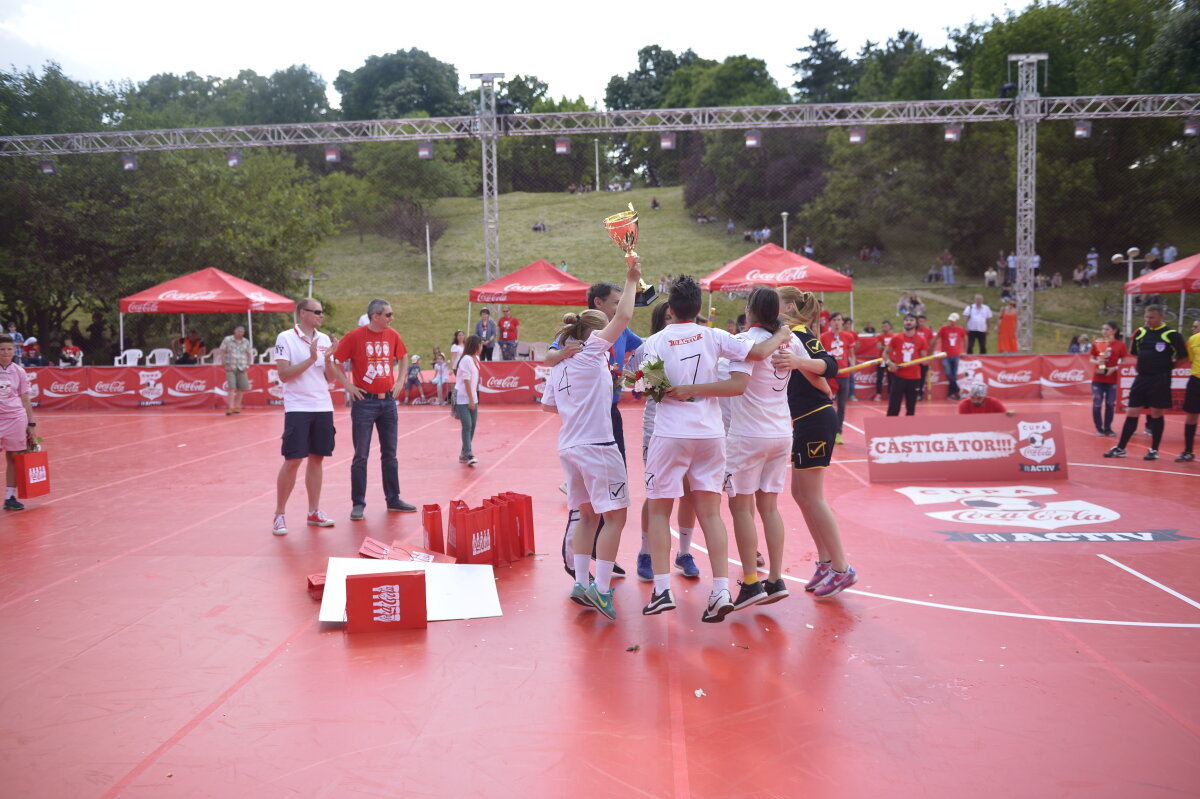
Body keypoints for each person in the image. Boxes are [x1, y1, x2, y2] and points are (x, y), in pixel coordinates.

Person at [638, 275, 790, 622]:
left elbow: (652, 389)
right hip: (710, 435)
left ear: (671, 308)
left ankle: (662, 589)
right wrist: (782, 333)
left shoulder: (656, 341)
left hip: (671, 433)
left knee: (660, 510)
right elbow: (758, 353)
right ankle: (720, 589)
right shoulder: (715, 335)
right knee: (710, 512)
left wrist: (674, 387)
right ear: (698, 307)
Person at [539, 257, 641, 620]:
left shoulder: (560, 364)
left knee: (586, 516)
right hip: (597, 445)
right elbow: (623, 318)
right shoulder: (591, 351)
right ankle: (602, 588)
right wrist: (632, 280)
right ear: (596, 334)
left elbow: (548, 407)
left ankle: (582, 583)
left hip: (569, 446)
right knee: (615, 517)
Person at [771, 286, 857, 598]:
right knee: (800, 494)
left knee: (814, 496)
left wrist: (798, 362)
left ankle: (842, 568)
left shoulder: (798, 333)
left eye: (776, 302)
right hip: (804, 420)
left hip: (816, 418)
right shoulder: (784, 334)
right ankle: (825, 562)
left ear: (788, 307)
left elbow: (830, 365)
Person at [724, 287, 797, 609]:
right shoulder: (788, 341)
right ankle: (776, 578)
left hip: (748, 435)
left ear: (749, 310)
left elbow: (726, 382)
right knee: (769, 507)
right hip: (780, 431)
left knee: (741, 508)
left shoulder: (742, 341)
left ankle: (752, 582)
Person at [335, 298, 418, 520]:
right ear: (375, 316)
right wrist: (348, 385)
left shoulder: (393, 335)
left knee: (390, 454)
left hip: (388, 402)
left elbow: (403, 356)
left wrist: (400, 381)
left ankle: (393, 499)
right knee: (361, 455)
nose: (392, 318)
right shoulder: (354, 336)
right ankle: (358, 503)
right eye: (388, 314)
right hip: (365, 402)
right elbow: (334, 360)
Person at [271, 298, 345, 536]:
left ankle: (313, 511)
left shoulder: (323, 339)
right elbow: (284, 374)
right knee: (293, 459)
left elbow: (330, 378)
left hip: (322, 406)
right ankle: (279, 514)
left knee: (317, 458)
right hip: (298, 407)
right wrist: (311, 359)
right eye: (317, 312)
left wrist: (328, 358)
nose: (321, 316)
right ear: (302, 313)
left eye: (322, 312)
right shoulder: (285, 338)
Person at [1104, 305, 1188, 460]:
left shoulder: (1171, 334)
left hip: (1160, 379)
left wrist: (1166, 368)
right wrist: (1146, 364)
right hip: (1142, 377)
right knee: (1132, 411)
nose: (1148, 320)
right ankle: (1121, 448)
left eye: (1152, 317)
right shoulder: (1140, 332)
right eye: (1146, 317)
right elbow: (1134, 353)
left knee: (1157, 413)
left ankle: (1154, 450)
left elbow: (1184, 357)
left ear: (1161, 317)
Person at [0, 335, 39, 511]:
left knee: (14, 457)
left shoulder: (19, 371)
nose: (5, 353)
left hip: (15, 418)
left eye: (9, 349)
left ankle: (10, 497)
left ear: (14, 351)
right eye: (2, 349)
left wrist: (31, 425)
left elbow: (25, 398)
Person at [820, 312, 855, 444]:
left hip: (844, 375)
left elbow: (851, 355)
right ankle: (825, 431)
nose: (837, 322)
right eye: (834, 320)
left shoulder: (848, 336)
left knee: (842, 405)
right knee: (826, 404)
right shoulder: (824, 336)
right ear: (830, 322)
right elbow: (820, 355)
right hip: (829, 375)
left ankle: (838, 433)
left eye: (839, 320)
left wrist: (853, 366)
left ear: (842, 322)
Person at [885, 314, 927, 417]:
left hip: (914, 378)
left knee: (911, 408)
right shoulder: (896, 338)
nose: (908, 322)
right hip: (898, 377)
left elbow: (924, 360)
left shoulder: (921, 339)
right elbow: (885, 353)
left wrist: (925, 361)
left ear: (916, 323)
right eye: (906, 320)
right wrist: (890, 363)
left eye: (911, 320)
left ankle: (908, 427)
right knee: (893, 407)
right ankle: (889, 426)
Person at [1090, 322, 1127, 436]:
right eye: (1103, 329)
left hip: (1112, 379)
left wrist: (1114, 368)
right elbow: (1091, 358)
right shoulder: (1098, 342)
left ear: (1114, 331)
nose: (1104, 331)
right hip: (1098, 378)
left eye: (1107, 329)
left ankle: (1108, 428)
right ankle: (1099, 428)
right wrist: (1098, 362)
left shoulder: (1120, 344)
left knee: (1110, 404)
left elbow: (1124, 361)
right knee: (1097, 404)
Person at [453, 334, 482, 466]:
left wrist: (474, 398)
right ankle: (469, 453)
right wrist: (470, 399)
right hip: (463, 397)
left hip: (473, 396)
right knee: (467, 425)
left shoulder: (476, 359)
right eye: (480, 345)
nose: (481, 347)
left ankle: (463, 453)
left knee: (473, 425)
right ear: (475, 346)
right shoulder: (466, 360)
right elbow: (466, 381)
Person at [1176, 319, 1199, 462]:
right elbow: (1189, 359)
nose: (1193, 328)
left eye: (1196, 326)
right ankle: (1188, 451)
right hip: (1196, 380)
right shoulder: (1193, 339)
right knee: (1191, 415)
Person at [218, 326, 254, 415]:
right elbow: (222, 351)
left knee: (241, 388)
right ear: (234, 331)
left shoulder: (246, 341)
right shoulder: (227, 339)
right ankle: (230, 407)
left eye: (242, 331)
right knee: (231, 387)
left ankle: (237, 407)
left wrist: (248, 365)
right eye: (238, 331)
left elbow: (249, 354)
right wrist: (224, 364)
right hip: (230, 366)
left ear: (243, 333)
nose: (240, 333)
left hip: (242, 366)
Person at [937, 312, 966, 400]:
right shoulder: (943, 328)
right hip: (945, 355)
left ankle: (950, 394)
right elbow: (936, 338)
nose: (951, 322)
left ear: (957, 321)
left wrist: (964, 351)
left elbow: (965, 339)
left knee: (953, 375)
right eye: (950, 321)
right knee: (949, 373)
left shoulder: (960, 329)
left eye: (953, 321)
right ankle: (957, 391)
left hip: (956, 354)